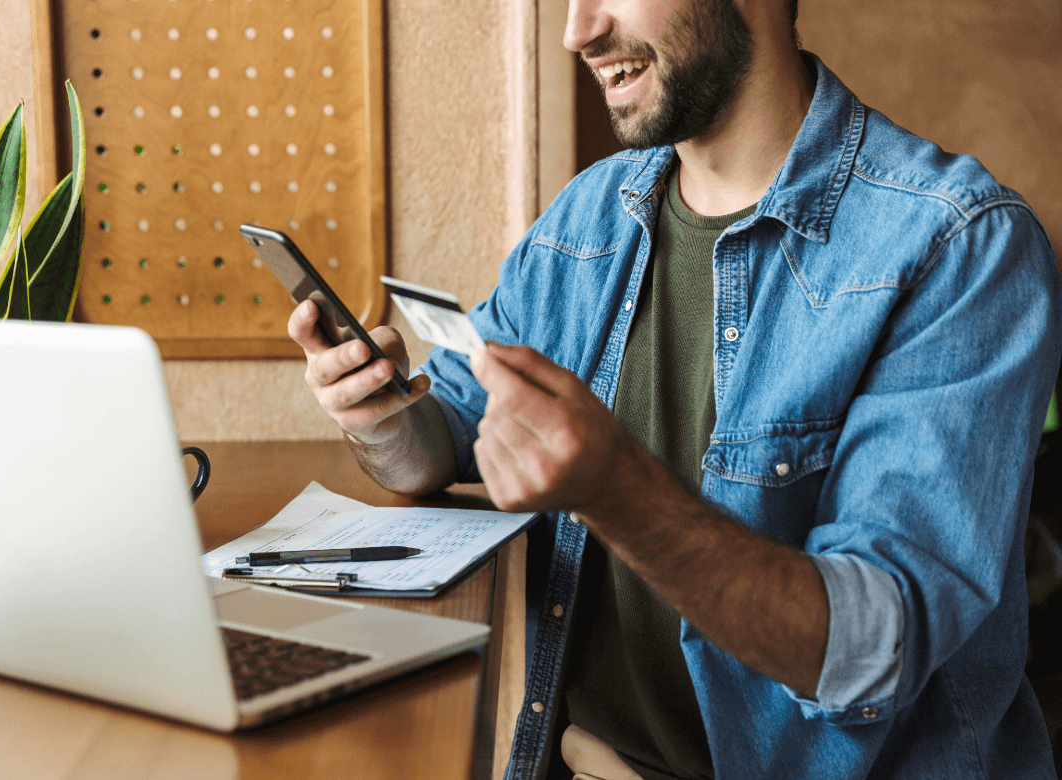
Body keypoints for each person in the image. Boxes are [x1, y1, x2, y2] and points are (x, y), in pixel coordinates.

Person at [289, 0, 1062, 777]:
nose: (578, 32)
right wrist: (384, 415)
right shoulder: (592, 213)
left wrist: (615, 487)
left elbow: (874, 650)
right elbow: (449, 437)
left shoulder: (961, 247)